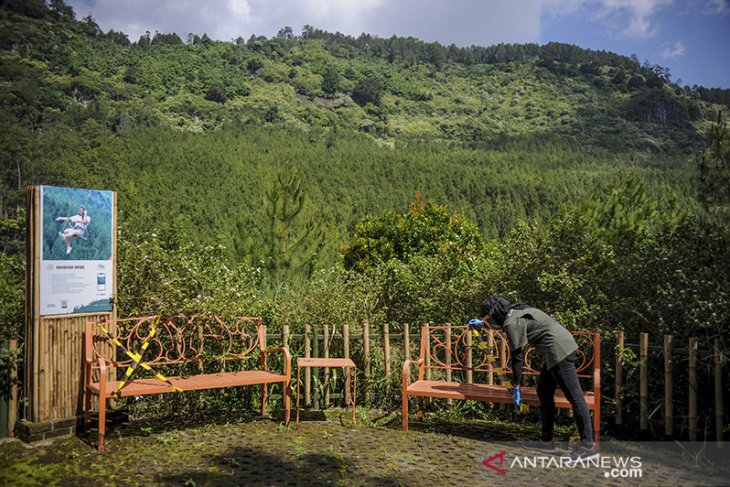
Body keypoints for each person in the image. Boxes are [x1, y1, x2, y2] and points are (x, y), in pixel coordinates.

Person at [469, 294, 598, 460]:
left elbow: (517, 356)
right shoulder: (515, 312)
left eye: (489, 319)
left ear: (496, 314)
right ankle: (547, 442)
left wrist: (516, 386)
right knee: (544, 392)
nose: (490, 324)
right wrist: (483, 324)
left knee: (575, 397)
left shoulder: (511, 322)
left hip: (559, 350)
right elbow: (508, 326)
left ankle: (588, 447)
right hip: (555, 350)